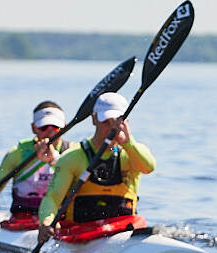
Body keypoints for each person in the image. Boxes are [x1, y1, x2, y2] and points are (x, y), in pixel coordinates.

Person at [37, 92, 155, 241]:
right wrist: (46, 222)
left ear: (126, 121)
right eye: (106, 121)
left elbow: (149, 167)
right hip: (81, 233)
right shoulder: (73, 158)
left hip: (123, 230)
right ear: (94, 119)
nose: (112, 128)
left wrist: (128, 143)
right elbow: (52, 199)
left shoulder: (131, 153)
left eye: (117, 122)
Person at [0, 101, 69, 224]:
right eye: (44, 127)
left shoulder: (72, 152)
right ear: (33, 128)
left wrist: (53, 160)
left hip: (60, 218)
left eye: (56, 127)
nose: (50, 133)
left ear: (65, 127)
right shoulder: (17, 154)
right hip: (24, 218)